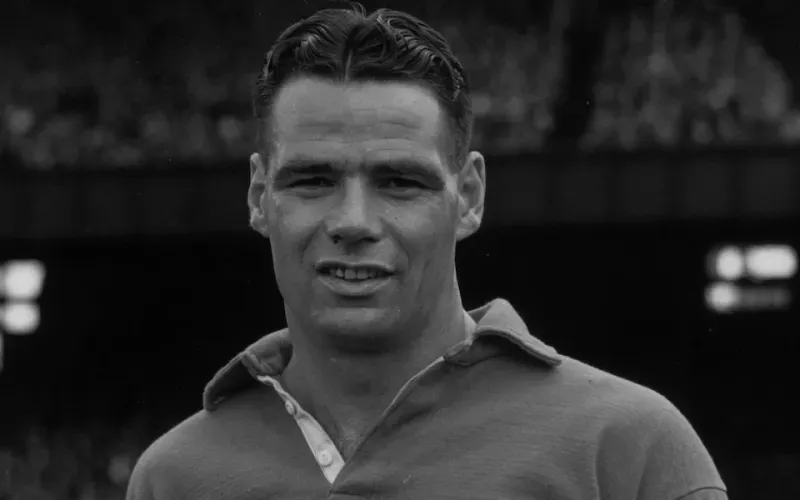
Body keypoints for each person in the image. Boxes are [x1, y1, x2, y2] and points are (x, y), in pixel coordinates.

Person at [127, 4, 728, 499]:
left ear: (468, 196)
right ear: (259, 196)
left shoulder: (628, 449)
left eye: (399, 182)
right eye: (312, 180)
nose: (353, 222)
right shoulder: (174, 478)